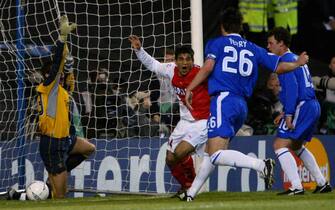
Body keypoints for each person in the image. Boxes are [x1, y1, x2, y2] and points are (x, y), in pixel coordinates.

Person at [184, 8, 309, 201]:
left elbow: (208, 67)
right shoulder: (253, 47)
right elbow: (279, 66)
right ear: (240, 27)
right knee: (212, 152)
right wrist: (297, 63)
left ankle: (260, 165)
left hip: (223, 100)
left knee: (216, 153)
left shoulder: (217, 43)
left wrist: (190, 88)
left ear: (223, 26)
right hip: (241, 105)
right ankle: (191, 193)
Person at [129, 35, 210, 198]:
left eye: (188, 59)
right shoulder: (171, 70)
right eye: (181, 59)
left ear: (193, 61)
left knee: (180, 153)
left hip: (203, 121)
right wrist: (139, 50)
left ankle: (193, 186)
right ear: (177, 61)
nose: (185, 63)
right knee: (170, 158)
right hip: (185, 122)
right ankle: (187, 186)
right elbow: (153, 64)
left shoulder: (201, 73)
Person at [267, 27, 332, 195]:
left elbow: (293, 89)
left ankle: (296, 187)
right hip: (312, 105)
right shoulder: (296, 58)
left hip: (302, 106)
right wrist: (286, 112)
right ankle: (322, 183)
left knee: (279, 144)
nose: (268, 47)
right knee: (296, 146)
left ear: (281, 44)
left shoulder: (286, 62)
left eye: (271, 43)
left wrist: (288, 114)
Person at [36, 15, 96, 199]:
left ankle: (56, 174)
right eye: (57, 74)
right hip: (52, 142)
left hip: (65, 139)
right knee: (61, 197)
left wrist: (67, 52)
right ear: (48, 75)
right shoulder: (48, 87)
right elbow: (57, 65)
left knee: (89, 149)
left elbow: (67, 71)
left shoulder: (62, 89)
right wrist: (62, 39)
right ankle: (55, 178)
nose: (61, 75)